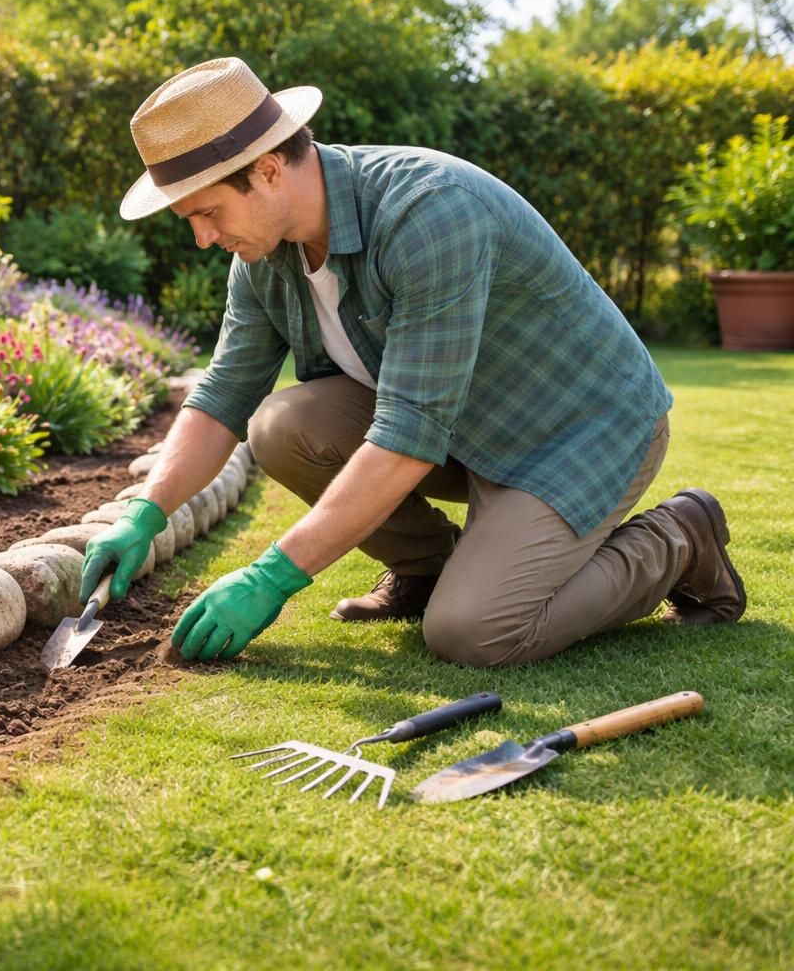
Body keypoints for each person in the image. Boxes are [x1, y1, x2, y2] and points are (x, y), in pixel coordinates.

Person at [80, 56, 746, 666]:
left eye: (207, 211)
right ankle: (428, 569)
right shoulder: (262, 258)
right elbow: (225, 393)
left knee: (473, 632)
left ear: (268, 170)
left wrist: (271, 576)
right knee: (281, 427)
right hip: (465, 431)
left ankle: (680, 538)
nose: (200, 237)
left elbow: (408, 433)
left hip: (575, 434)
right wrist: (147, 508)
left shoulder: (428, 212)